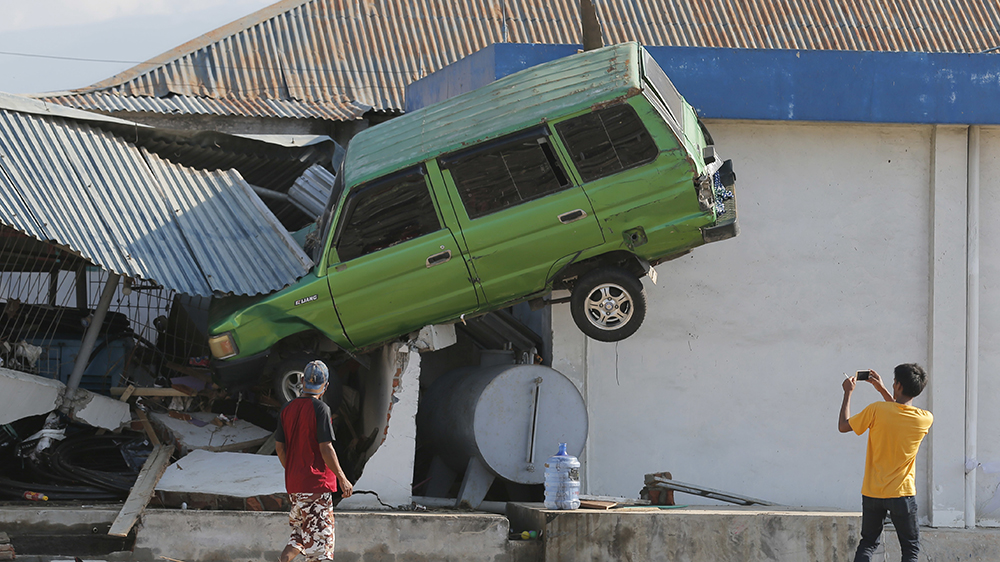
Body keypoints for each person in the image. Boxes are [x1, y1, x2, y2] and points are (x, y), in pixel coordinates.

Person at [839, 364, 933, 562]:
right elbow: (898, 411)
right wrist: (883, 390)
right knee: (910, 549)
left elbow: (843, 426)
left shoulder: (876, 410)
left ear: (897, 385)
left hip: (873, 492)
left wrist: (848, 393)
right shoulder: (925, 419)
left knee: (868, 543)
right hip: (902, 495)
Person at [275, 360, 353, 562]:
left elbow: (280, 448)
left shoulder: (286, 409)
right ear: (325, 386)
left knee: (299, 537)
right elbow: (326, 448)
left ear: (302, 380)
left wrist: (294, 470)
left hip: (295, 486)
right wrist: (342, 478)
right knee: (321, 549)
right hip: (316, 487)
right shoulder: (321, 409)